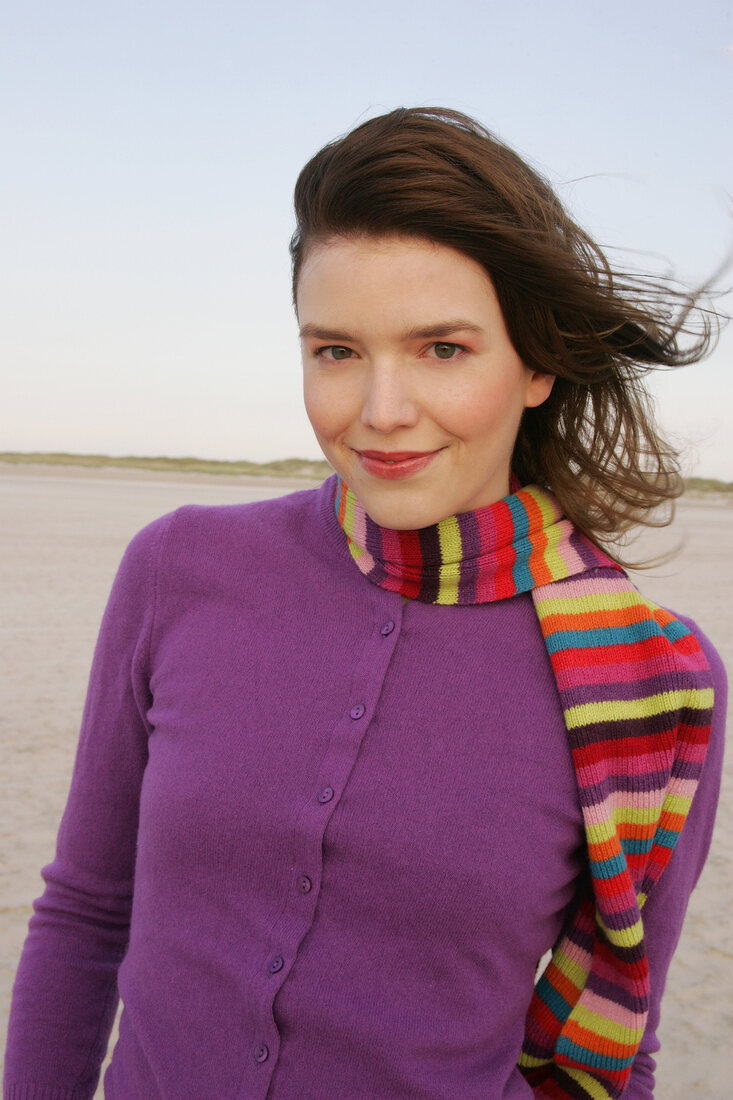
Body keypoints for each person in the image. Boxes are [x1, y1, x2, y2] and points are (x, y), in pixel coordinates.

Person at [4, 107, 726, 1100]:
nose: (380, 410)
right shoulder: (180, 569)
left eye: (441, 348)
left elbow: (613, 1049)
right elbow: (85, 913)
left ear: (536, 363)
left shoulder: (653, 678)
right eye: (336, 350)